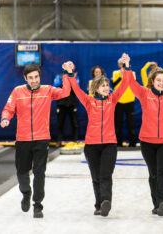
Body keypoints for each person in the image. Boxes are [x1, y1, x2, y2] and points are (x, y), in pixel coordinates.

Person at [63, 55, 131, 217]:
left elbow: (126, 84)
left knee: (105, 175)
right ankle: (99, 204)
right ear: (95, 88)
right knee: (96, 177)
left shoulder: (113, 100)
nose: (106, 87)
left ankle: (106, 201)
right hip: (91, 145)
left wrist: (126, 68)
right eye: (103, 85)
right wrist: (70, 74)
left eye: (107, 85)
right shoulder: (89, 101)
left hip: (109, 144)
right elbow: (77, 90)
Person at [0, 64, 71, 218]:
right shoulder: (17, 92)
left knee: (40, 173)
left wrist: (67, 74)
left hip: (42, 139)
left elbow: (66, 92)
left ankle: (37, 205)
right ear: (25, 78)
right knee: (22, 172)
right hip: (23, 139)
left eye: (36, 77)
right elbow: (8, 108)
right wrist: (5, 118)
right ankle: (26, 193)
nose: (34, 80)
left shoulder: (47, 90)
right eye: (30, 78)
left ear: (40, 76)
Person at [125, 54, 163, 217]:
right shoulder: (144, 94)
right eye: (158, 80)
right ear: (153, 81)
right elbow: (131, 82)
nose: (161, 83)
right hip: (147, 141)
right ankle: (157, 203)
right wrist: (128, 67)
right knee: (153, 174)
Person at [53, 65, 80, 147]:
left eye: (71, 66)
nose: (70, 67)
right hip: (61, 103)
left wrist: (71, 79)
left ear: (74, 68)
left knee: (74, 123)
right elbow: (55, 85)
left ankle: (75, 141)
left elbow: (76, 87)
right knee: (60, 123)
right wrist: (68, 79)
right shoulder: (59, 76)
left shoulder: (76, 77)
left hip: (72, 103)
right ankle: (59, 141)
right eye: (68, 66)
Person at [112, 61, 137, 147]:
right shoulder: (115, 73)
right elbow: (114, 85)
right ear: (118, 65)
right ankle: (118, 143)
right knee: (118, 124)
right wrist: (120, 77)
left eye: (124, 64)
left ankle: (132, 143)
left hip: (130, 102)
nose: (122, 66)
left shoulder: (132, 73)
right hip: (119, 102)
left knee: (131, 124)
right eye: (121, 64)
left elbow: (134, 84)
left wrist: (127, 74)